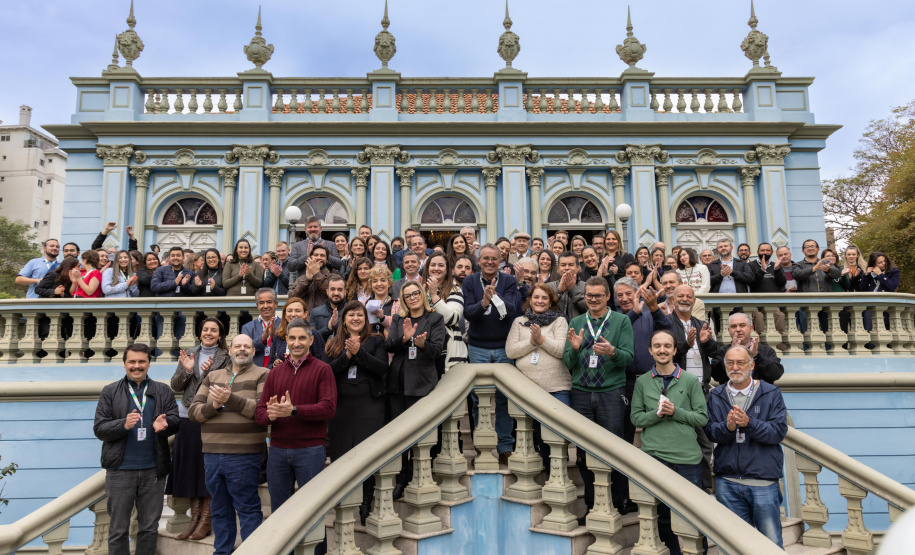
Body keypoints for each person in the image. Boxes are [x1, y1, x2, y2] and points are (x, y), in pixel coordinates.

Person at [254, 319, 336, 554]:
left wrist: (294, 410)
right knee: (280, 513)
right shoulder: (275, 373)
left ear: (311, 340)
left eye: (302, 338)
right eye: (292, 338)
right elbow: (260, 415)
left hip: (310, 451)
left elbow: (328, 408)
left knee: (313, 511)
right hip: (278, 451)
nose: (297, 343)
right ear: (286, 341)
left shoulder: (323, 369)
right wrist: (270, 414)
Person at [93, 343, 179, 555]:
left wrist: (165, 425)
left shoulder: (163, 391)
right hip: (120, 471)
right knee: (118, 529)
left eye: (142, 361)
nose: (136, 366)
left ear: (149, 364)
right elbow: (100, 429)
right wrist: (122, 425)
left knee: (149, 527)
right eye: (132, 362)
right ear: (124, 364)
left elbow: (176, 421)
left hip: (154, 472)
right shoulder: (110, 392)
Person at [188, 335, 269, 555]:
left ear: (253, 351)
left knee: (247, 508)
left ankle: (252, 552)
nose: (242, 350)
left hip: (245, 455)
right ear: (229, 350)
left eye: (247, 347)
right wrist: (213, 405)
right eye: (238, 346)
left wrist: (229, 399)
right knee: (219, 508)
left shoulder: (263, 374)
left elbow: (261, 412)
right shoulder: (212, 376)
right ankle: (221, 552)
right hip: (212, 455)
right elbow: (194, 412)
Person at [631, 329, 709, 555]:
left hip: (688, 458)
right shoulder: (643, 382)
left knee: (694, 515)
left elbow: (701, 417)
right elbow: (636, 418)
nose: (662, 350)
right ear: (650, 351)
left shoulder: (690, 380)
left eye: (667, 346)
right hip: (656, 457)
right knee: (664, 518)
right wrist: (656, 415)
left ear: (675, 350)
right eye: (657, 346)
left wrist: (675, 412)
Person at [563, 276, 635, 521]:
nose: (592, 300)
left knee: (613, 449)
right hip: (581, 394)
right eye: (588, 296)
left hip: (611, 393)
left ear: (607, 296)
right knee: (584, 451)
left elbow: (628, 359)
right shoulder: (575, 321)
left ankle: (615, 502)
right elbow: (568, 363)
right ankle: (593, 504)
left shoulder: (621, 320)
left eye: (597, 296)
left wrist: (612, 351)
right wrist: (574, 348)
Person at [705, 345, 788, 548]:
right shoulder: (716, 395)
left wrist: (749, 423)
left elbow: (778, 431)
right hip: (728, 483)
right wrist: (728, 427)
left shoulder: (770, 393)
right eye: (730, 363)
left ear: (751, 365)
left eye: (741, 362)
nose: (735, 367)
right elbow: (710, 431)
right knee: (733, 545)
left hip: (763, 482)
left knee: (771, 545)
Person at [325, 302, 388, 523]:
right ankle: (342, 500)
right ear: (343, 319)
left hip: (369, 406)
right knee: (341, 455)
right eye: (350, 314)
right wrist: (347, 356)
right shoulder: (333, 343)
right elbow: (328, 373)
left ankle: (365, 501)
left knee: (366, 456)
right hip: (341, 408)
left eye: (359, 314)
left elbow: (381, 367)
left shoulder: (376, 340)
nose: (355, 318)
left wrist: (359, 352)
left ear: (365, 318)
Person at [463, 244, 525, 464]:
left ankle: (505, 447)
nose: (489, 262)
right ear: (478, 261)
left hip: (503, 346)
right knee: (478, 398)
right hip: (477, 347)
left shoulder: (509, 281)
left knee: (504, 397)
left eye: (494, 259)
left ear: (501, 261)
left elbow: (511, 311)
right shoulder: (469, 282)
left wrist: (495, 299)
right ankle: (482, 446)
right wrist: (484, 302)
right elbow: (469, 313)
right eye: (485, 258)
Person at [170, 319, 230, 541]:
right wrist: (187, 371)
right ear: (200, 332)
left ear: (220, 334)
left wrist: (206, 374)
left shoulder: (227, 357)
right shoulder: (190, 353)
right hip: (187, 417)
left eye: (214, 330)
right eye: (205, 329)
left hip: (211, 417)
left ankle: (206, 520)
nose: (209, 333)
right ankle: (194, 519)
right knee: (191, 470)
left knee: (208, 471)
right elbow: (175, 386)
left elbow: (225, 388)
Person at [385, 281, 447, 498]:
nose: (412, 298)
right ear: (403, 299)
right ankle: (401, 478)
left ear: (422, 295)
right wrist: (405, 338)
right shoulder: (399, 318)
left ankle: (416, 474)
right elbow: (389, 345)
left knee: (420, 433)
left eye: (415, 293)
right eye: (407, 295)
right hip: (398, 381)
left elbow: (437, 350)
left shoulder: (435, 319)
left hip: (422, 382)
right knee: (401, 433)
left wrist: (421, 344)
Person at [505, 283, 570, 467]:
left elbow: (560, 350)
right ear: (530, 300)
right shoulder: (519, 321)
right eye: (536, 297)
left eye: (544, 298)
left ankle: (558, 475)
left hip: (556, 389)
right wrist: (532, 343)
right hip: (528, 391)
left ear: (551, 302)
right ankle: (546, 478)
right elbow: (511, 351)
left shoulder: (559, 321)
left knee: (556, 437)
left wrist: (542, 339)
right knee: (536, 438)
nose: (539, 301)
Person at [667, 284, 717, 491]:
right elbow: (666, 355)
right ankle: (679, 490)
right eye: (681, 296)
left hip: (701, 392)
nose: (685, 299)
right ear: (674, 299)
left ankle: (704, 490)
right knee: (678, 442)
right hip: (677, 392)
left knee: (705, 443)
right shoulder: (667, 324)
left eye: (689, 296)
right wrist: (687, 343)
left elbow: (716, 352)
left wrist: (706, 343)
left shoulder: (702, 324)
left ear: (694, 300)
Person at [707, 313, 785, 385]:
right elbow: (716, 376)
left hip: (761, 397)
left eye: (742, 325)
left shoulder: (766, 350)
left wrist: (757, 356)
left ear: (751, 328)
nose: (738, 329)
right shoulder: (722, 351)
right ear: (729, 330)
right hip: (730, 397)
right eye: (733, 326)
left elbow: (776, 374)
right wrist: (731, 353)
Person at [422, 252, 468, 372]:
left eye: (441, 265)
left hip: (449, 353)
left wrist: (433, 295)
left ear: (447, 270)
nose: (436, 268)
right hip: (424, 350)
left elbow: (452, 318)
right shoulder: (419, 290)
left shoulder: (455, 290)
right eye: (433, 265)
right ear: (428, 268)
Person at [266, 296, 327, 366]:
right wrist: (275, 364)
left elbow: (321, 363)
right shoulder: (278, 336)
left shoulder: (314, 335)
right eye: (289, 311)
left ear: (305, 314)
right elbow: (270, 364)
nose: (293, 314)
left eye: (297, 311)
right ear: (285, 315)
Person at [241, 288, 281, 365]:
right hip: (255, 372)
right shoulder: (247, 327)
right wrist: (262, 339)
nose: (265, 306)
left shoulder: (285, 325)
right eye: (261, 303)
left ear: (276, 304)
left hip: (277, 370)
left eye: (269, 302)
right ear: (257, 305)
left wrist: (274, 338)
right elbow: (244, 350)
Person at [288, 244, 333, 312]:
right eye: (316, 255)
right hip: (305, 320)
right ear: (311, 258)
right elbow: (291, 298)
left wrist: (317, 274)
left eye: (322, 255)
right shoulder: (301, 279)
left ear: (327, 260)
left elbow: (332, 293)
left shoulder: (334, 277)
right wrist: (307, 280)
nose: (319, 257)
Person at [548, 251, 588, 321]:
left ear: (578, 268)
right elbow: (544, 308)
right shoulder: (549, 287)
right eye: (563, 265)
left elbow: (590, 309)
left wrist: (573, 290)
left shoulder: (587, 287)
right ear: (558, 268)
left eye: (571, 265)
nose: (567, 268)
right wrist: (558, 291)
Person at [309, 274, 347, 342]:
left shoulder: (351, 312)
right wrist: (328, 329)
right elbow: (311, 339)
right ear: (327, 292)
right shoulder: (315, 313)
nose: (336, 293)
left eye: (340, 290)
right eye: (332, 289)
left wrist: (336, 326)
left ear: (345, 292)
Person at [366, 266, 395, 336]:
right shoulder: (365, 304)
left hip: (390, 344)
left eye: (383, 280)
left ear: (389, 283)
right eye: (375, 281)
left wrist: (383, 318)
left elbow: (398, 325)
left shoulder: (398, 303)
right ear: (371, 284)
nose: (379, 284)